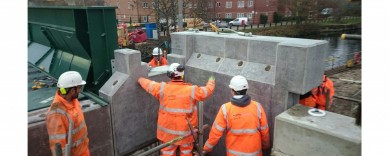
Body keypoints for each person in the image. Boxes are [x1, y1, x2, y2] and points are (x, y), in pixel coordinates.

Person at [138, 63, 215, 156]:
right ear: (182, 75)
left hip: (167, 136)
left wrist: (139, 78)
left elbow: (148, 84)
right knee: (186, 153)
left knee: (167, 154)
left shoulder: (162, 88)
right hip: (186, 134)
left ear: (170, 75)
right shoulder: (192, 90)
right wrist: (211, 80)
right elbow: (207, 91)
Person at [203, 75, 270, 156]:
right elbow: (265, 131)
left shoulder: (225, 109)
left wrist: (206, 148)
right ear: (246, 89)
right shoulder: (257, 107)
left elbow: (215, 133)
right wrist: (266, 146)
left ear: (232, 90)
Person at [46, 71, 90, 156]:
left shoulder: (73, 100)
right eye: (79, 87)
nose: (80, 90)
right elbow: (57, 146)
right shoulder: (56, 114)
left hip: (83, 151)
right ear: (73, 90)